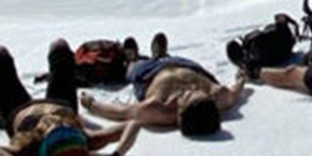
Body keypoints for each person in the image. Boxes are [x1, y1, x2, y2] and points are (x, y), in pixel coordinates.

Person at [0, 41, 141, 156]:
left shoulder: (28, 147)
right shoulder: (89, 139)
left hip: (19, 109)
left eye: (55, 131)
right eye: (69, 129)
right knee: (60, 47)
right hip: (61, 103)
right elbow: (133, 124)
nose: (59, 123)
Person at [79, 32, 248, 136]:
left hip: (148, 74)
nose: (193, 88)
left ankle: (133, 58)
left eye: (189, 95)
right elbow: (235, 92)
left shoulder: (158, 109)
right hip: (185, 64)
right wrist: (241, 78)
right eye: (199, 91)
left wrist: (92, 105)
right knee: (168, 60)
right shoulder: (218, 98)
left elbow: (123, 112)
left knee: (133, 69)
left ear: (181, 111)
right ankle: (161, 54)